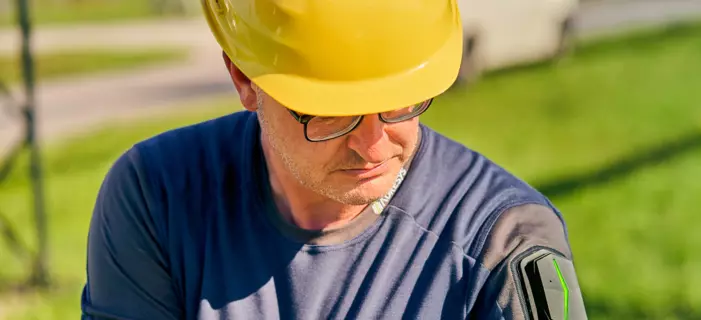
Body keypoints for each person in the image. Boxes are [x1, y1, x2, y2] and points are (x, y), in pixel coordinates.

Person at [80, 0, 588, 318]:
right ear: (243, 78)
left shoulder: (502, 242)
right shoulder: (158, 197)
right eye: (329, 113)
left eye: (400, 102)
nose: (373, 146)